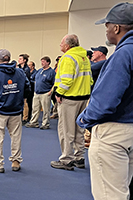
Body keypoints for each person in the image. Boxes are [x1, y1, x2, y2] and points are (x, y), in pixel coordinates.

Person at [76, 3, 133, 199]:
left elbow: (106, 100)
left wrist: (85, 119)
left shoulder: (123, 54)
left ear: (116, 28)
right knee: (123, 188)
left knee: (110, 195)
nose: (106, 31)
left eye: (107, 26)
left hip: (115, 132)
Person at [50, 34, 93, 171]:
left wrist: (59, 93)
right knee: (79, 129)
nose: (60, 46)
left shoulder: (68, 58)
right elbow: (90, 79)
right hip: (83, 97)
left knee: (66, 130)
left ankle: (66, 159)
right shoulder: (84, 57)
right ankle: (79, 158)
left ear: (67, 46)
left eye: (61, 43)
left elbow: (67, 79)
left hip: (70, 98)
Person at [0, 49, 30, 173]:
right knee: (16, 136)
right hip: (16, 110)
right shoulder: (20, 73)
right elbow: (27, 88)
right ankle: (16, 161)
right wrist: (20, 100)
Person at [25, 56, 55, 130]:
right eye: (41, 61)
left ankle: (45, 123)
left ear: (48, 63)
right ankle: (34, 122)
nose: (42, 63)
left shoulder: (51, 72)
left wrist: (50, 91)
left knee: (46, 110)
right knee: (35, 109)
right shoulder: (39, 70)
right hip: (37, 93)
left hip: (45, 93)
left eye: (44, 61)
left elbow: (55, 83)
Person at [18, 54, 31, 125]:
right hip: (19, 87)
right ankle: (21, 116)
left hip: (25, 88)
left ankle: (25, 118)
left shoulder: (26, 69)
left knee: (25, 102)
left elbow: (25, 79)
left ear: (24, 60)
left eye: (20, 59)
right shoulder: (19, 68)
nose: (19, 60)